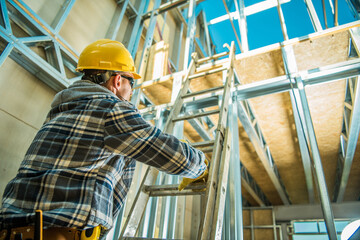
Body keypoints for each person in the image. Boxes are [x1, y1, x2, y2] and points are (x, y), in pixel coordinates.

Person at [0, 39, 207, 239]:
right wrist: (201, 166)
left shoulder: (60, 110)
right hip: (60, 233)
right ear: (118, 80)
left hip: (10, 229)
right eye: (131, 83)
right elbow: (172, 154)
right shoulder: (111, 109)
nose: (130, 92)